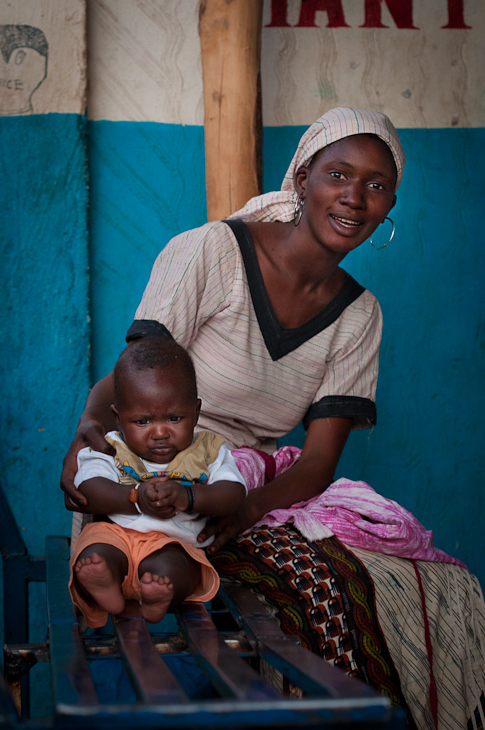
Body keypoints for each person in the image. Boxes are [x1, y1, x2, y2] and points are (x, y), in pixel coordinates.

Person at [62, 107, 485, 729]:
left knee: (409, 586)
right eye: (338, 174)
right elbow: (135, 373)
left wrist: (246, 509)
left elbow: (317, 462)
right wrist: (80, 444)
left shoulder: (359, 316)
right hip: (144, 476)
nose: (354, 198)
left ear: (391, 201)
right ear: (302, 178)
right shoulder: (212, 251)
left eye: (376, 185)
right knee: (163, 591)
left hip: (246, 489)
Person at [68, 337, 246, 627]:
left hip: (172, 543)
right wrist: (136, 497)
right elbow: (90, 488)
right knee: (95, 550)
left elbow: (233, 494)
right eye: (142, 422)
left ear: (197, 412)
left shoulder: (209, 449)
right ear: (117, 418)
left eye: (175, 418)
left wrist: (189, 497)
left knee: (176, 567)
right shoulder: (111, 447)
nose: (160, 432)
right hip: (117, 535)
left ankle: (158, 595)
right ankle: (105, 584)